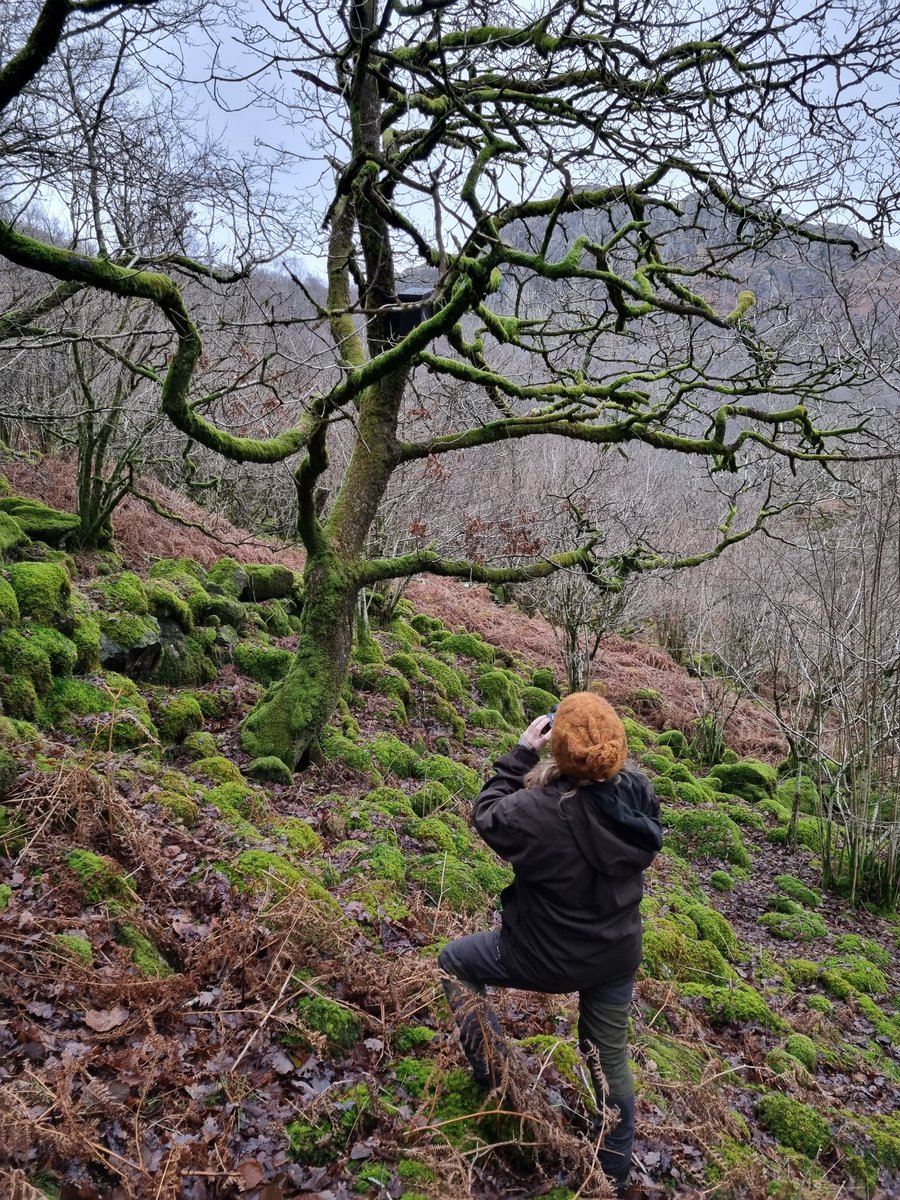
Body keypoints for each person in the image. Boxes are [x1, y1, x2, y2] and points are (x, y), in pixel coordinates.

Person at [438, 692, 662, 1197]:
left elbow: (486, 812)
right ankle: (613, 1174)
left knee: (454, 963)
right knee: (607, 1058)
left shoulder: (538, 811)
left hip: (542, 955)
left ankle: (496, 1078)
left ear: (557, 750)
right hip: (615, 956)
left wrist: (521, 752)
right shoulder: (638, 797)